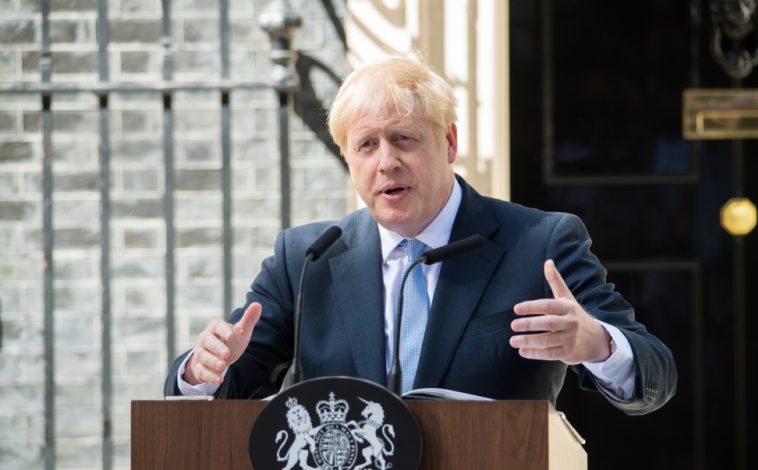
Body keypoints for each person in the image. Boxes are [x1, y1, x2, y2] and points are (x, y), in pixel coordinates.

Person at [164, 56, 676, 415]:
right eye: (366, 145)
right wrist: (202, 370)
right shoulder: (305, 257)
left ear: (449, 142)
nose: (386, 162)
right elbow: (227, 387)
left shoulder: (540, 243)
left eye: (403, 139)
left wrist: (599, 345)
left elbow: (655, 374)